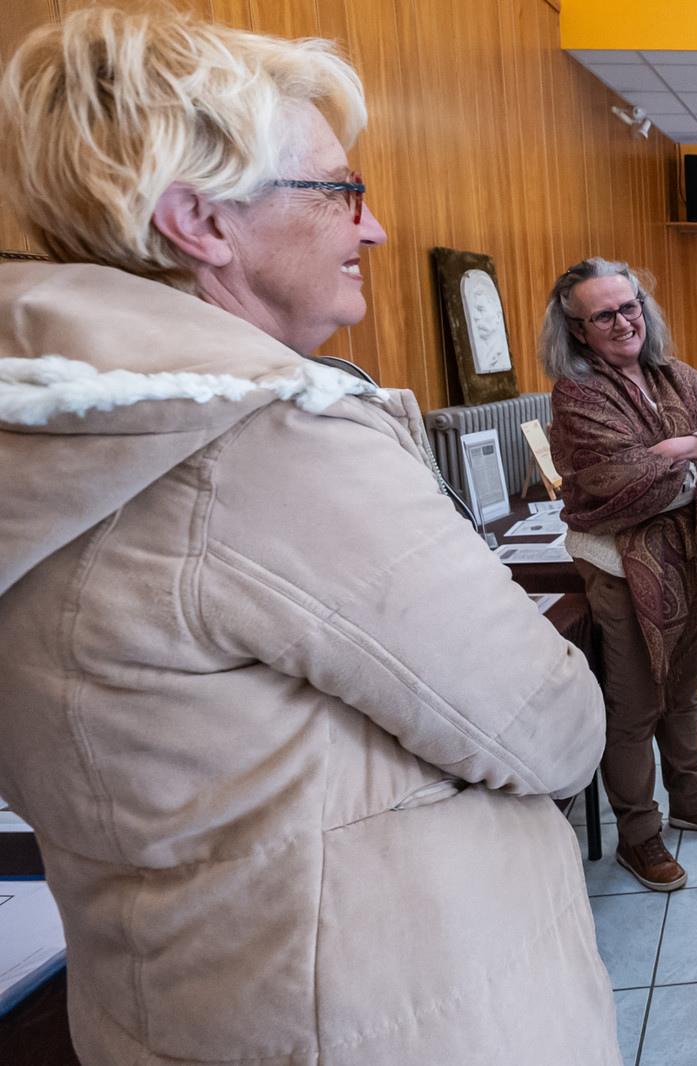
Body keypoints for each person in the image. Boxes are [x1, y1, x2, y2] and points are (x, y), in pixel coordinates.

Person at [0, 10, 620, 1065]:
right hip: (383, 1017)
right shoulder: (267, 443)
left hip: (182, 1003)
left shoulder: (50, 423)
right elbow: (552, 727)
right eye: (342, 190)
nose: (370, 228)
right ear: (200, 221)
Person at [542, 258, 697, 892]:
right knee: (635, 706)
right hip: (622, 568)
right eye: (603, 314)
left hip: (692, 559)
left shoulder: (674, 375)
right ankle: (640, 834)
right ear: (578, 329)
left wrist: (683, 447)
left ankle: (691, 799)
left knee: (684, 693)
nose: (622, 321)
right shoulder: (578, 393)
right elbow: (625, 483)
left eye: (629, 305)